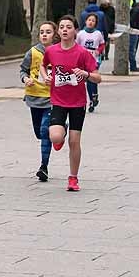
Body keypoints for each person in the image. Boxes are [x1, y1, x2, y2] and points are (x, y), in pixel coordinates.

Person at [40, 16, 101, 192]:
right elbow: (44, 66)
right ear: (58, 31)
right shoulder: (51, 51)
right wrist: (45, 76)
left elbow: (98, 77)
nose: (65, 30)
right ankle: (62, 130)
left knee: (74, 142)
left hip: (77, 103)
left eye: (68, 27)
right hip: (58, 101)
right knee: (56, 137)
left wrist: (86, 74)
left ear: (75, 30)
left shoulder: (82, 53)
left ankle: (73, 178)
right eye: (61, 27)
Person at [20, 21, 56, 183]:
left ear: (54, 34)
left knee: (44, 131)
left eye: (48, 32)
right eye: (42, 31)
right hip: (34, 97)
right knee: (38, 132)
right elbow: (23, 69)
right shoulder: (32, 52)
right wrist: (26, 78)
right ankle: (60, 131)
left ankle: (43, 167)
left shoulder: (59, 51)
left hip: (52, 98)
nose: (44, 34)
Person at [75, 13, 105, 112]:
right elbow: (76, 45)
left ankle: (94, 95)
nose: (91, 22)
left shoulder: (98, 33)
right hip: (83, 58)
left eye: (93, 21)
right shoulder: (80, 34)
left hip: (94, 58)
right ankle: (91, 99)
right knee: (87, 79)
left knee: (92, 78)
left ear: (95, 23)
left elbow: (102, 44)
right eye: (89, 20)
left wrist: (98, 51)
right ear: (85, 21)